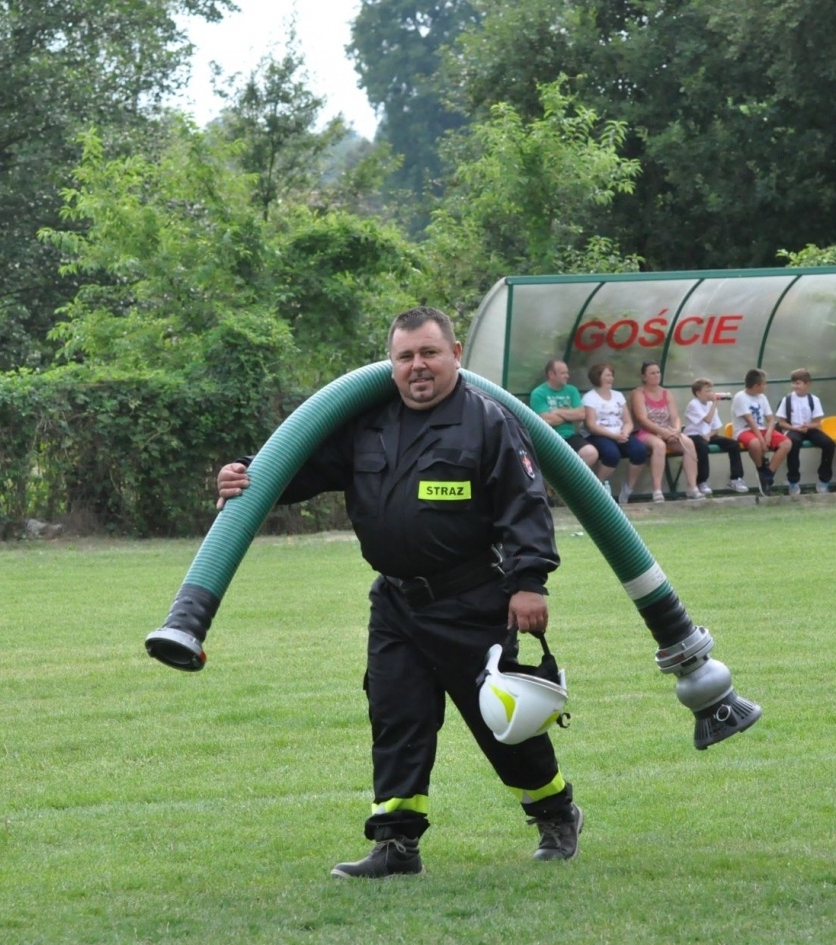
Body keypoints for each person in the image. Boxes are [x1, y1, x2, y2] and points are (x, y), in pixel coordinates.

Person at [215, 307, 583, 879]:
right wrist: (246, 473)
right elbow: (299, 470)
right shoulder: (368, 421)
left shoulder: (487, 422)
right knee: (397, 717)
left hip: (472, 601)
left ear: (455, 353)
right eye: (405, 356)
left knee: (501, 725)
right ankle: (395, 845)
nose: (418, 366)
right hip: (396, 605)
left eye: (429, 353)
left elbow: (524, 503)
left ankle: (557, 815)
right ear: (391, 364)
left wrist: (529, 582)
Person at [582, 362, 666, 504]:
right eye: (607, 375)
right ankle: (597, 486)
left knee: (639, 451)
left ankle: (628, 489)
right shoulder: (589, 397)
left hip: (621, 433)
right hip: (600, 435)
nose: (611, 378)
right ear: (598, 377)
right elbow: (591, 425)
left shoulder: (618, 395)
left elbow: (628, 421)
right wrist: (613, 436)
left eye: (611, 375)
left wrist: (625, 433)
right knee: (612, 454)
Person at [632, 360, 704, 500]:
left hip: (667, 430)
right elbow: (642, 419)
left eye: (658, 372)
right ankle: (657, 490)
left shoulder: (666, 393)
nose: (656, 375)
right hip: (646, 432)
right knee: (659, 445)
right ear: (644, 377)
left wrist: (676, 430)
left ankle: (692, 487)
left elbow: (675, 417)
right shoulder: (638, 393)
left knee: (688, 443)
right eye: (652, 373)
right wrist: (662, 432)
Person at [775, 368, 836, 496]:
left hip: (809, 429)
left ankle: (824, 480)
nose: (795, 386)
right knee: (793, 443)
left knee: (829, 444)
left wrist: (807, 426)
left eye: (798, 383)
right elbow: (782, 423)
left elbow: (817, 422)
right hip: (793, 429)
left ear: (807, 384)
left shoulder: (814, 400)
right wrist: (795, 428)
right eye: (793, 383)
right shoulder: (786, 400)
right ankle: (793, 482)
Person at [529, 358, 599, 470]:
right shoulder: (538, 393)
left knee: (591, 453)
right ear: (551, 374)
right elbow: (547, 421)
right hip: (548, 438)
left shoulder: (572, 390)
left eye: (567, 372)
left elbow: (581, 415)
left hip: (569, 436)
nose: (567, 376)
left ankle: (569, 483)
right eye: (563, 373)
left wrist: (558, 412)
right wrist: (570, 413)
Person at [683, 379, 750, 494]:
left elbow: (716, 428)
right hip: (693, 436)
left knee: (733, 444)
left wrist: (709, 435)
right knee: (702, 446)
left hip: (708, 435)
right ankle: (702, 481)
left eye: (711, 390)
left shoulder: (710, 405)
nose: (711, 393)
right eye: (707, 391)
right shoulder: (694, 404)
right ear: (698, 393)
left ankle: (736, 479)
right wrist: (714, 403)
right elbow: (707, 420)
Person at [731, 368, 792, 494]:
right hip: (744, 431)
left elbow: (770, 419)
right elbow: (750, 421)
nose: (766, 386)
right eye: (764, 384)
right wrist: (762, 440)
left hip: (762, 429)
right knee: (755, 444)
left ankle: (768, 474)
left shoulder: (762, 397)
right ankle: (761, 468)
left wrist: (769, 435)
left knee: (787, 443)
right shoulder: (740, 397)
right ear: (756, 386)